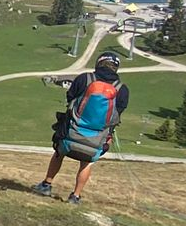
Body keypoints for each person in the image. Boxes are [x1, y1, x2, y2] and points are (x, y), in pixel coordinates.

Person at [33, 48, 128, 206]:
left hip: (70, 133)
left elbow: (70, 98)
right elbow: (117, 114)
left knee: (58, 153)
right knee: (87, 163)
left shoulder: (85, 79)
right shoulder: (122, 89)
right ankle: (75, 196)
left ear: (99, 63)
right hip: (97, 139)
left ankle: (46, 185)